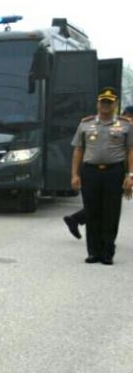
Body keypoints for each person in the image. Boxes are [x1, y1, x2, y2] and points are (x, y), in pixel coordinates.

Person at [69, 88, 133, 264]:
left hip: (114, 172)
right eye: (103, 102)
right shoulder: (85, 124)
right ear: (98, 103)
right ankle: (93, 252)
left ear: (115, 104)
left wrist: (130, 175)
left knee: (111, 212)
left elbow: (130, 151)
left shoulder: (126, 125)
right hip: (91, 172)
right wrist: (74, 174)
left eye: (109, 102)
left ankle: (107, 253)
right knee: (92, 211)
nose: (105, 105)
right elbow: (78, 150)